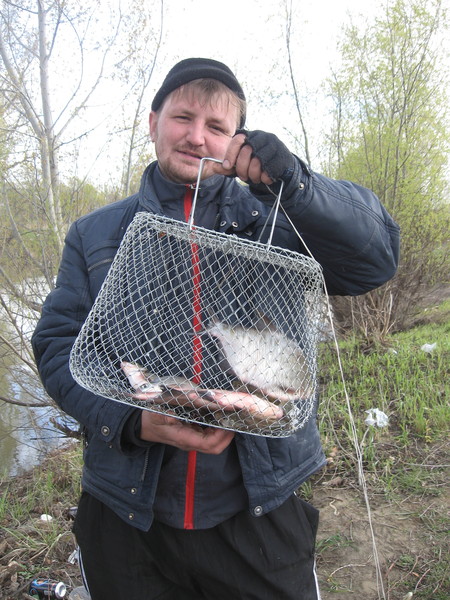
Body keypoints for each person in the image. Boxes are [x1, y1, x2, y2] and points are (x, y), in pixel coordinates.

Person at [32, 58, 400, 600]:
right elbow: (57, 345)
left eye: (217, 127)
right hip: (126, 515)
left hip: (257, 510)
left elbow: (376, 260)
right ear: (153, 121)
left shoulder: (273, 218)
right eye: (182, 117)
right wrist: (130, 421)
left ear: (236, 141)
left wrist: (295, 184)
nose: (196, 136)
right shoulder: (96, 232)